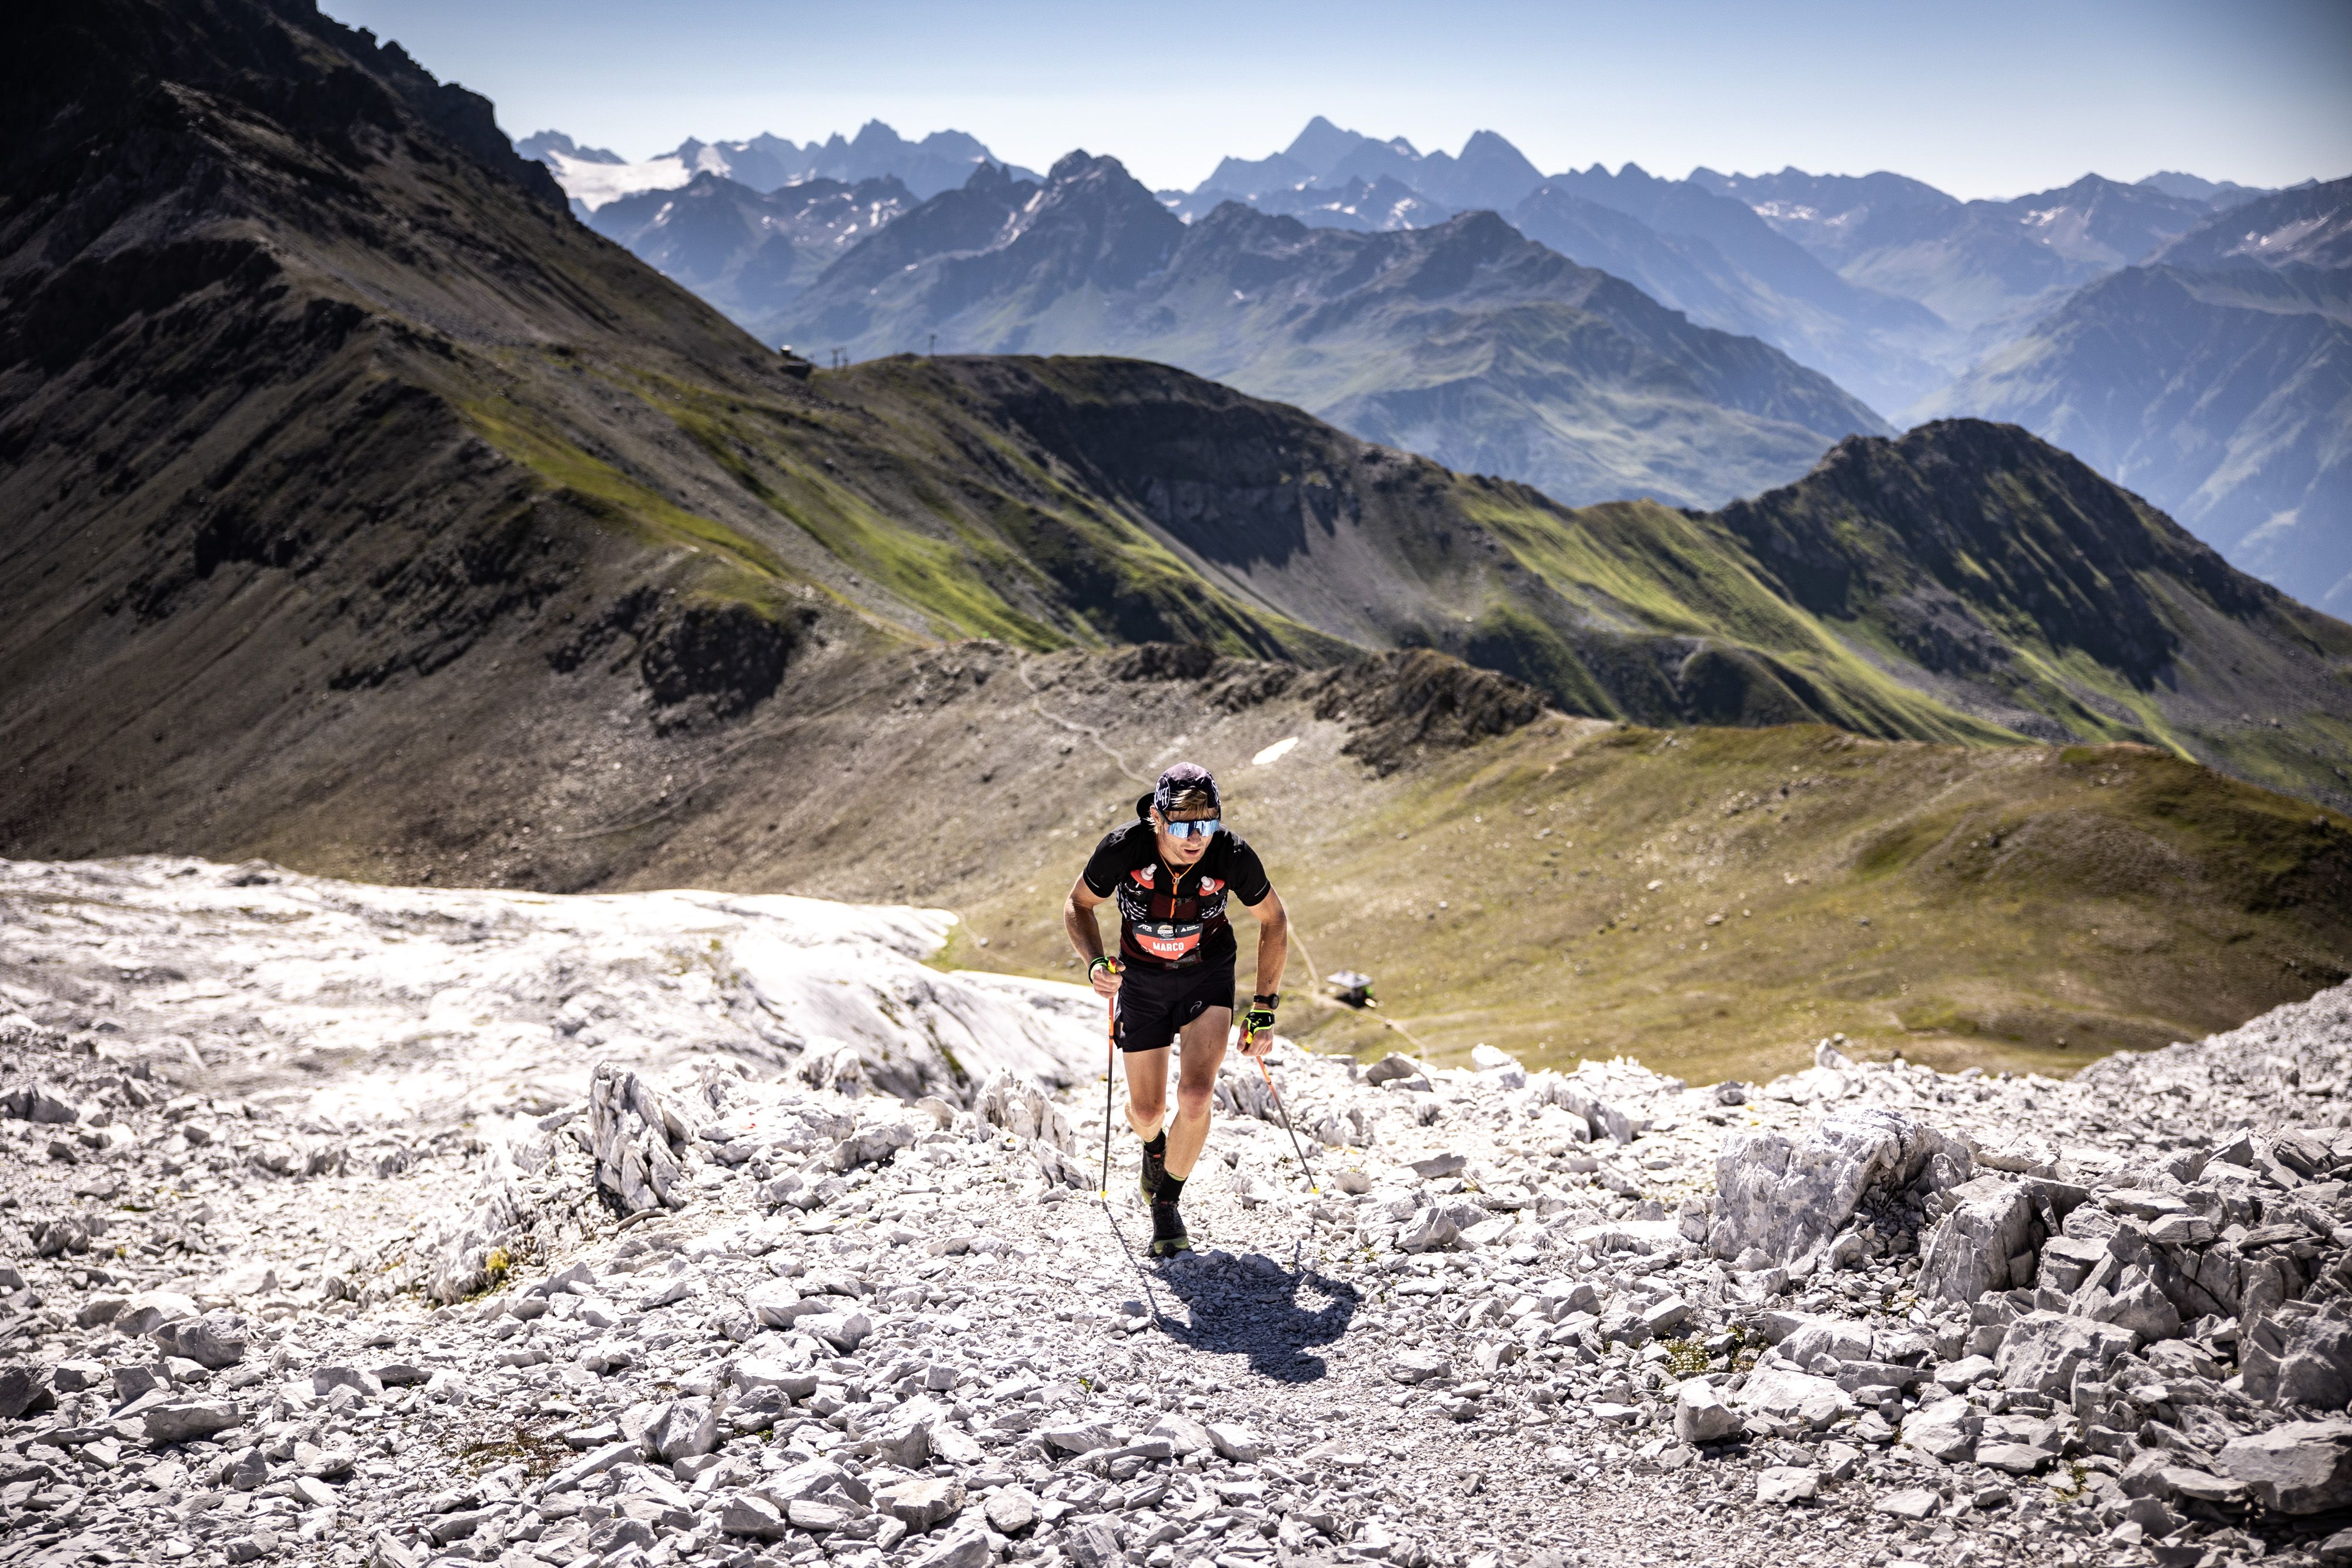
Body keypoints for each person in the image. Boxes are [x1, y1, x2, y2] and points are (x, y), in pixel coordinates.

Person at [1063, 764, 1287, 1256]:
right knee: (1147, 1112)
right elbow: (1078, 905)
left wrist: (1264, 1007)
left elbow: (1274, 918)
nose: (1196, 838)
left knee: (1196, 1094)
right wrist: (1096, 961)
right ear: (1158, 819)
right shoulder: (1124, 848)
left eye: (1207, 824)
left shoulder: (1231, 853)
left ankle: (1166, 1201)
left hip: (1206, 974)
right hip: (1142, 981)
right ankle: (1153, 1146)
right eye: (1184, 825)